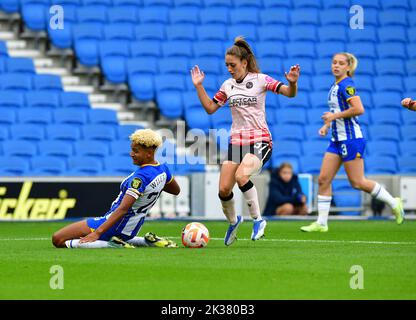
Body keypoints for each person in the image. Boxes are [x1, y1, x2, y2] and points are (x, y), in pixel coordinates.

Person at [191, 36, 300, 245]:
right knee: (223, 189)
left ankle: (258, 220)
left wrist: (292, 83)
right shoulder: (227, 85)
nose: (229, 69)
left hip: (260, 140)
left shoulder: (260, 79)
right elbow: (210, 108)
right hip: (236, 143)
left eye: (232, 65)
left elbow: (289, 93)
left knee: (242, 175)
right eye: (226, 65)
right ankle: (234, 222)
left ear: (244, 62)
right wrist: (199, 86)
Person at [300, 52, 405, 233]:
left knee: (357, 182)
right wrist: (327, 125)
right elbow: (337, 110)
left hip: (351, 139)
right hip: (336, 139)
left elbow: (359, 109)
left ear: (348, 67)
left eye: (341, 63)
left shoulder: (347, 84)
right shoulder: (335, 85)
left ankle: (393, 201)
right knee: (324, 179)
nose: (336, 66)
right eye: (334, 62)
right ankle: (322, 223)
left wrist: (333, 116)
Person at [52, 129, 180, 248]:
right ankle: (146, 241)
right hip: (132, 228)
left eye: (136, 151)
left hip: (114, 225)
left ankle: (112, 244)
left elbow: (123, 209)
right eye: (132, 150)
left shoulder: (140, 177)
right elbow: (176, 190)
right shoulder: (163, 170)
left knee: (58, 239)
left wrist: (97, 233)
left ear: (149, 153)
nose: (131, 154)